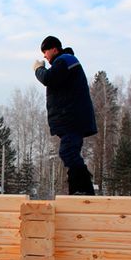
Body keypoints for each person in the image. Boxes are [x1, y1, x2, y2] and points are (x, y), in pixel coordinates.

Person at [33, 36, 97, 195]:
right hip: (71, 118)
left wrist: (38, 69)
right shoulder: (65, 62)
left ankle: (83, 191)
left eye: (45, 51)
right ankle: (78, 190)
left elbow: (48, 78)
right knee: (70, 153)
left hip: (72, 118)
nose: (44, 56)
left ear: (54, 49)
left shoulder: (65, 60)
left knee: (67, 152)